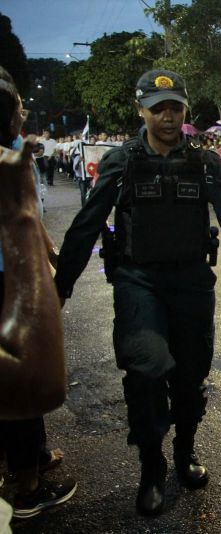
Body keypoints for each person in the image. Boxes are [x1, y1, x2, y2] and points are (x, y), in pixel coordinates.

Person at [53, 69, 221, 516]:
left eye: (175, 107)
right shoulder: (122, 161)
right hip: (138, 282)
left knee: (188, 379)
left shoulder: (205, 164)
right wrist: (60, 287)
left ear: (185, 110)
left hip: (190, 284)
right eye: (158, 107)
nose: (167, 116)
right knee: (146, 372)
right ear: (141, 109)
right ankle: (151, 466)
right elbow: (87, 222)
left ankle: (184, 451)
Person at [0, 79, 76, 520]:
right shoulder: (8, 161)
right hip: (10, 280)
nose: (25, 112)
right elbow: (21, 218)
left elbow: (33, 220)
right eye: (20, 107)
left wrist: (52, 252)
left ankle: (35, 455)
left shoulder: (11, 154)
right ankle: (26, 487)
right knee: (22, 377)